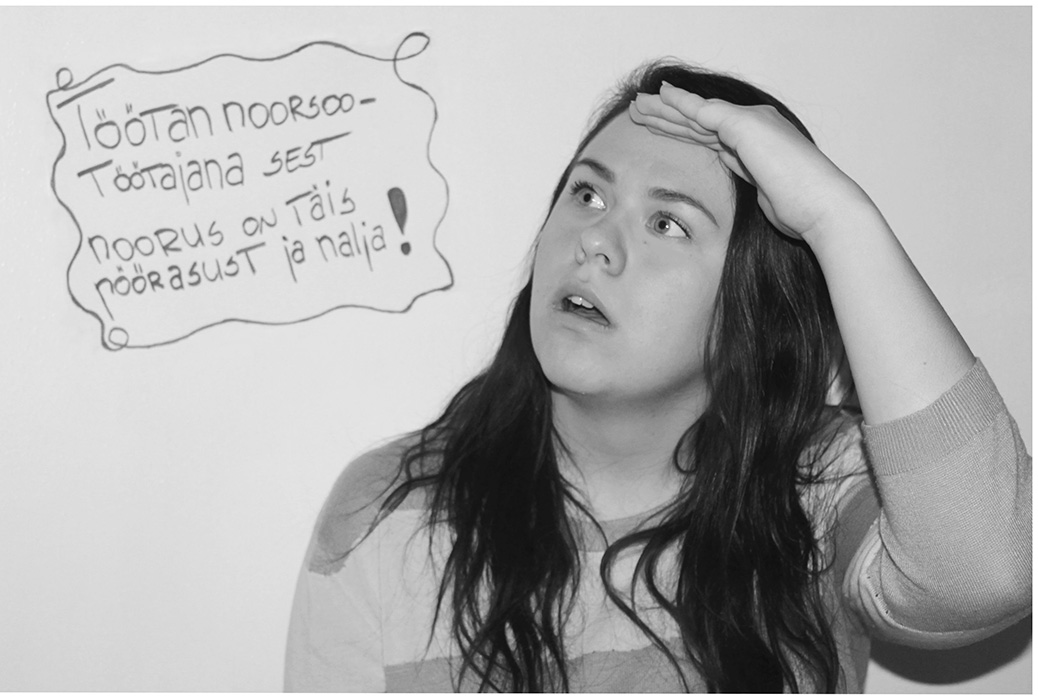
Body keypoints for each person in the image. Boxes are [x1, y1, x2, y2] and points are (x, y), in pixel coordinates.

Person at [284, 60, 1031, 692]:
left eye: (667, 222)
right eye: (588, 194)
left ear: (748, 307)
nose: (596, 241)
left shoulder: (820, 488)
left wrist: (838, 217)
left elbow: (989, 573)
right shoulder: (386, 514)